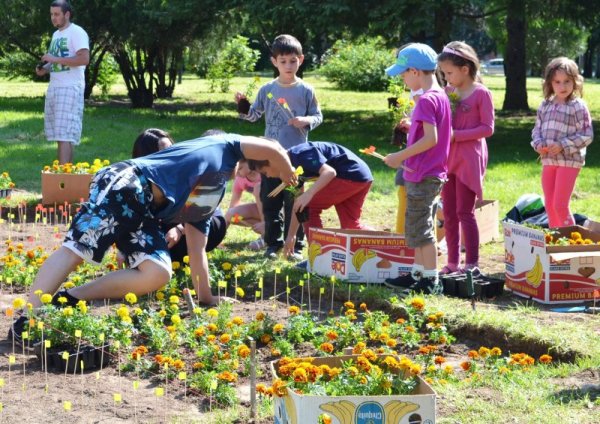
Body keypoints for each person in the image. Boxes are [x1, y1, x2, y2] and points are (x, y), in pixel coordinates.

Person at [9, 133, 297, 342]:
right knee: (77, 249)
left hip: (144, 208)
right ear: (255, 160)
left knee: (158, 272)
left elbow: (197, 251)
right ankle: (27, 318)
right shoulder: (223, 146)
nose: (269, 175)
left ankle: (68, 299)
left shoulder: (212, 191)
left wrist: (208, 298)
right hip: (126, 182)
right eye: (268, 170)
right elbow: (269, 145)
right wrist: (285, 165)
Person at [235, 34, 323, 259]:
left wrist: (306, 120)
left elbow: (318, 116)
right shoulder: (267, 90)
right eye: (283, 61)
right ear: (274, 62)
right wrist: (243, 107)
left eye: (292, 61)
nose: (288, 66)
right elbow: (254, 116)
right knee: (269, 201)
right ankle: (272, 244)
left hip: (297, 158)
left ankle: (297, 245)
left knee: (295, 201)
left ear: (301, 60)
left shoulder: (306, 90)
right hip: (270, 157)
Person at [381, 43, 452, 294]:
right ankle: (417, 274)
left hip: (423, 174)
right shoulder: (439, 96)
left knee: (422, 230)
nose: (401, 78)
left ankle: (430, 281)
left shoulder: (425, 101)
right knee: (416, 226)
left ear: (414, 71)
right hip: (427, 172)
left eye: (403, 73)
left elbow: (431, 139)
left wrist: (400, 156)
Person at [238, 142, 373, 258]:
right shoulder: (290, 172)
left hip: (350, 174)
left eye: (265, 173)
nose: (268, 176)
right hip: (362, 176)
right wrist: (291, 236)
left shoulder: (301, 154)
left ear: (271, 162)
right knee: (351, 226)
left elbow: (330, 172)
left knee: (309, 207)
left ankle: (319, 256)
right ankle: (387, 242)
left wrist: (309, 194)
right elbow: (298, 205)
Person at [437, 41, 495, 274]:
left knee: (464, 211)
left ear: (465, 69)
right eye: (443, 73)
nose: (446, 77)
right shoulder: (449, 92)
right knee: (449, 212)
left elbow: (487, 128)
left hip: (469, 159)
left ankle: (471, 263)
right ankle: (452, 262)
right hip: (449, 158)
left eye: (449, 73)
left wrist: (456, 135)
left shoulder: (481, 93)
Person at [130, 128, 228, 262]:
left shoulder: (187, 168)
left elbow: (202, 209)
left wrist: (180, 229)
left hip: (204, 221)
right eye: (165, 151)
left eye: (172, 148)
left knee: (162, 249)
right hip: (167, 226)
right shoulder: (140, 181)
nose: (173, 154)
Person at [531, 57, 593, 228]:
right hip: (548, 161)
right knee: (550, 206)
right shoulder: (545, 105)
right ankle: (555, 245)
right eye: (557, 82)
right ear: (550, 83)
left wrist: (563, 144)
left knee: (560, 205)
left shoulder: (577, 106)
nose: (562, 86)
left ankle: (571, 245)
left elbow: (587, 134)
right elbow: (537, 130)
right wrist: (539, 144)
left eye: (567, 81)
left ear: (576, 82)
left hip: (569, 161)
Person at [36, 1, 89, 165]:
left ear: (67, 14)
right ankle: (67, 175)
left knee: (64, 134)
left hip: (70, 88)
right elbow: (57, 62)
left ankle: (62, 178)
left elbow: (84, 59)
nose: (53, 18)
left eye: (57, 14)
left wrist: (54, 59)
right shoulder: (56, 35)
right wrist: (45, 68)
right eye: (52, 14)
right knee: (60, 134)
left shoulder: (77, 32)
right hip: (56, 88)